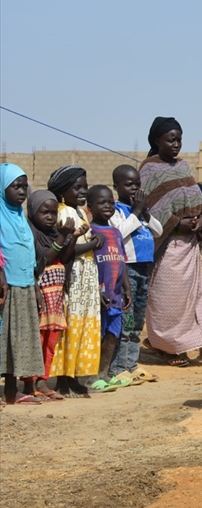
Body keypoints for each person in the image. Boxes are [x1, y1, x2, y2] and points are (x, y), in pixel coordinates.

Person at [140, 117, 202, 366]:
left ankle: (180, 344)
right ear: (156, 141)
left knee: (190, 299)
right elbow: (146, 211)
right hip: (166, 248)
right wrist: (176, 222)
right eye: (171, 139)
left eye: (179, 140)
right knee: (166, 301)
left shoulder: (184, 167)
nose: (176, 144)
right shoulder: (149, 170)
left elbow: (200, 201)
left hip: (189, 247)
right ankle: (167, 348)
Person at [48, 165, 103, 397]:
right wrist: (92, 244)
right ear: (63, 191)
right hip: (74, 277)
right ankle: (63, 378)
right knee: (70, 326)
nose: (83, 192)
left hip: (87, 276)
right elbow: (65, 252)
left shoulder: (80, 212)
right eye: (77, 187)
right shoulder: (63, 213)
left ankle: (75, 377)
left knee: (82, 326)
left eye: (85, 187)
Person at [109, 166, 161, 385]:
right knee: (126, 320)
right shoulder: (116, 210)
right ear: (117, 187)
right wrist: (136, 211)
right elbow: (119, 233)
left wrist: (145, 212)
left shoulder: (141, 211)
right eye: (129, 184)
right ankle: (119, 367)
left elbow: (158, 230)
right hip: (127, 270)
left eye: (137, 184)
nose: (134, 188)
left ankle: (131, 364)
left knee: (137, 320)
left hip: (144, 269)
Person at [0, 165, 47, 404]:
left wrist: (36, 286)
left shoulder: (22, 218)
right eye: (15, 186)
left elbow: (30, 255)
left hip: (26, 285)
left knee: (24, 338)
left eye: (24, 186)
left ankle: (20, 388)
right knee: (6, 338)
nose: (22, 191)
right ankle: (9, 390)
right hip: (6, 288)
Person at [86, 184, 132, 392]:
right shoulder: (89, 232)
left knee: (113, 335)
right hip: (100, 297)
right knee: (97, 336)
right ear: (90, 206)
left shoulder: (115, 233)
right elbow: (89, 265)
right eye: (102, 202)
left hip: (116, 295)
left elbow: (121, 262)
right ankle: (91, 376)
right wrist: (96, 290)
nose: (107, 206)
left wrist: (127, 289)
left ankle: (105, 373)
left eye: (111, 203)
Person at [26, 190, 71, 400]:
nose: (50, 217)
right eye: (45, 212)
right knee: (37, 339)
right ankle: (30, 383)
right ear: (33, 211)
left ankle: (43, 380)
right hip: (41, 296)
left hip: (56, 299)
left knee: (51, 341)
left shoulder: (54, 233)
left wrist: (71, 237)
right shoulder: (32, 234)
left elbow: (64, 256)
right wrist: (62, 237)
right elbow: (44, 258)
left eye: (54, 213)